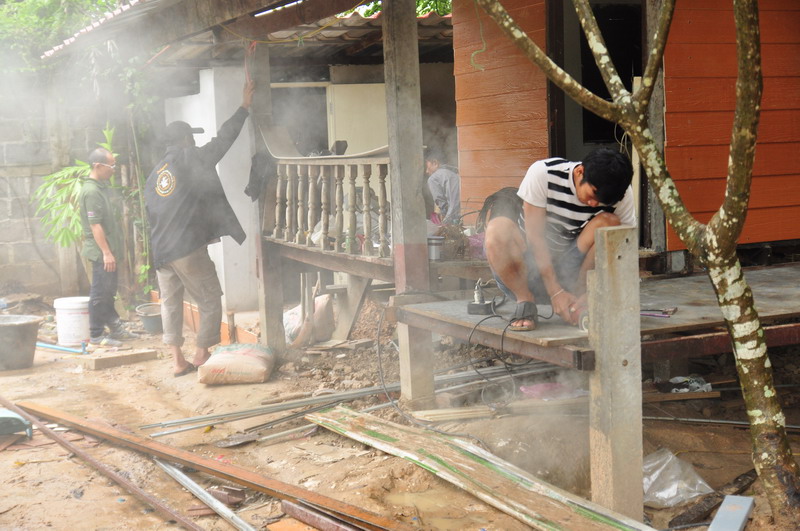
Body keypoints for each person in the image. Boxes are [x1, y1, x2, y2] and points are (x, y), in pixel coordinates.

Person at [145, 80, 255, 377]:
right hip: (186, 247)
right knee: (209, 296)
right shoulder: (190, 157)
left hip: (161, 251)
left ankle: (177, 361)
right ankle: (202, 353)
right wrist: (244, 107)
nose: (194, 141)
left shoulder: (156, 173)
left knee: (170, 304)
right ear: (185, 140)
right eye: (191, 137)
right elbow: (222, 142)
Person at [479, 147, 636, 331]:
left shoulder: (620, 193)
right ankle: (525, 301)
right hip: (526, 269)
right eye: (593, 194)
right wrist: (555, 292)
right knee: (497, 230)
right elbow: (536, 238)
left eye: (603, 201)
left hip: (570, 270)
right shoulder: (543, 174)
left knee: (611, 224)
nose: (595, 204)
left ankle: (580, 295)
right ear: (580, 172)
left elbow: (623, 247)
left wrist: (594, 291)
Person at [78, 148, 137, 347]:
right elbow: (95, 225)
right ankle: (96, 335)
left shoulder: (100, 187)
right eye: (111, 165)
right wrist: (106, 253)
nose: (114, 169)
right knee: (100, 293)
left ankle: (115, 328)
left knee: (109, 291)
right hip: (100, 253)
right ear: (98, 166)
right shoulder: (91, 191)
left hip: (108, 250)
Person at [424, 148, 461, 225]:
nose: (426, 171)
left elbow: (442, 204)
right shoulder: (455, 173)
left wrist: (444, 223)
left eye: (427, 167)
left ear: (435, 163)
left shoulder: (433, 178)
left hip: (454, 218)